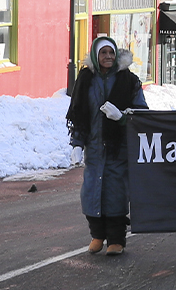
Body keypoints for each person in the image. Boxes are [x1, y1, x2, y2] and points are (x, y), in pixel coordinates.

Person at [66, 36, 148, 256]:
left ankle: (116, 240)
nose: (108, 57)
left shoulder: (129, 81)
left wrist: (121, 117)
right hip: (93, 149)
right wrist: (77, 144)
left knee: (115, 194)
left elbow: (142, 113)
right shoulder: (85, 80)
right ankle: (97, 236)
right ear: (96, 55)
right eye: (104, 53)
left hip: (118, 148)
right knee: (91, 193)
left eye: (111, 53)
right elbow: (80, 114)